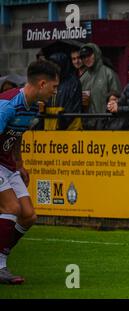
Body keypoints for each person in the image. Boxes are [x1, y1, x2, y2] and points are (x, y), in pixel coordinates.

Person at [0, 60, 60, 284]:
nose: (55, 92)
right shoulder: (7, 106)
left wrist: (20, 164)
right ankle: (0, 266)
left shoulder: (33, 106)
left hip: (8, 165)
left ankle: (1, 255)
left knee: (28, 216)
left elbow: (17, 137)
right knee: (11, 207)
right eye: (54, 87)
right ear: (42, 83)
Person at [79, 43, 121, 130]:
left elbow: (118, 97)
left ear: (96, 54)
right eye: (84, 57)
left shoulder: (109, 73)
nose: (87, 59)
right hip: (87, 124)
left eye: (89, 55)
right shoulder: (83, 78)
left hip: (106, 123)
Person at [43, 52, 83, 130]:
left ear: (63, 65)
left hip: (69, 129)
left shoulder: (73, 82)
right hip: (50, 129)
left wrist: (61, 124)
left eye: (55, 66)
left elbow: (72, 107)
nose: (53, 69)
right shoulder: (49, 80)